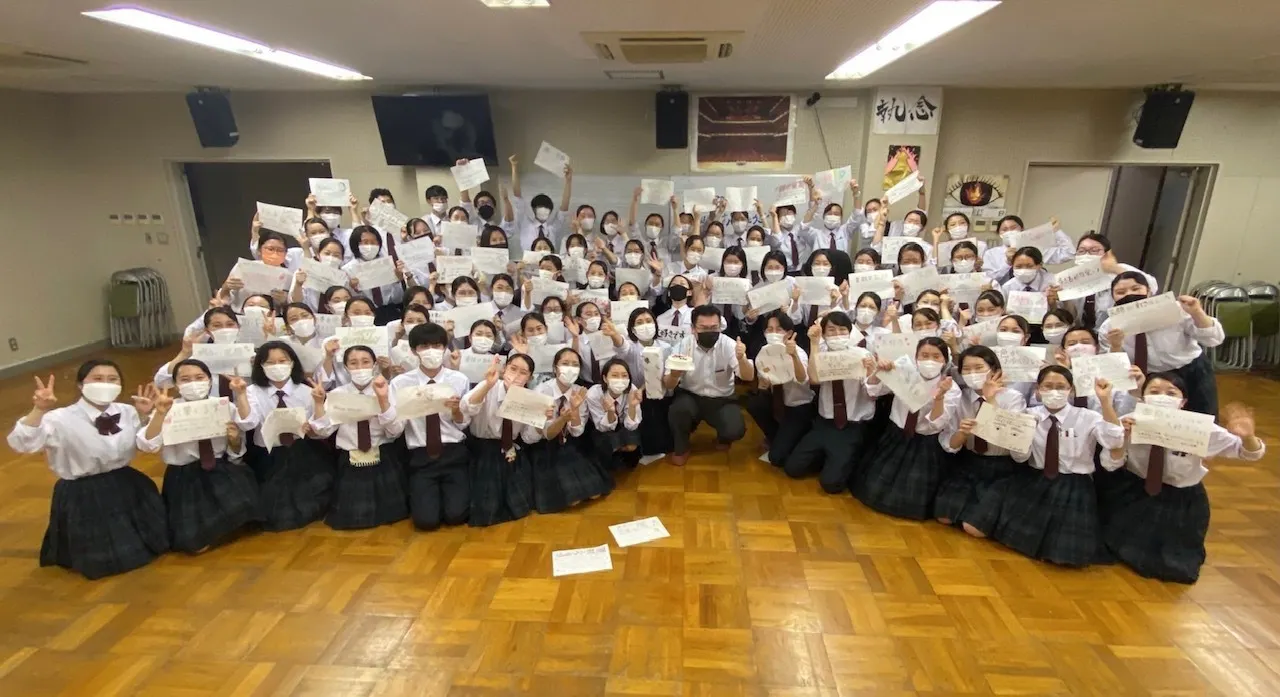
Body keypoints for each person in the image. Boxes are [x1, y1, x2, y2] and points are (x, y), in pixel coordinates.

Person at [7, 361, 169, 579]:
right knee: (102, 558)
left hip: (124, 481)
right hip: (82, 490)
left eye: (112, 379)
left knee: (151, 543)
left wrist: (147, 417)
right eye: (97, 378)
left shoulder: (128, 411)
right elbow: (22, 443)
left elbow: (147, 445)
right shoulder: (59, 418)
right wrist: (39, 410)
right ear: (81, 385)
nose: (105, 384)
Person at [1100, 374, 1264, 583]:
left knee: (1176, 565)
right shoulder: (1129, 421)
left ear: (1183, 401)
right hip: (1137, 490)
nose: (1162, 397)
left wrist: (1248, 437)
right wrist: (1121, 438)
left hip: (1181, 497)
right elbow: (1110, 464)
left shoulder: (1197, 427)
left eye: (1171, 393)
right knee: (1120, 549)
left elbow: (1249, 454)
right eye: (1154, 392)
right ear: (1142, 397)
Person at [991, 366, 1124, 567]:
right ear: (1037, 390)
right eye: (1048, 386)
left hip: (1074, 484)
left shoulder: (1088, 417)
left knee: (1065, 553)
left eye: (1061, 387)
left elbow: (1114, 441)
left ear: (1071, 390)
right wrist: (1018, 438)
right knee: (1018, 539)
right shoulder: (1027, 415)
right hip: (1036, 478)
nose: (1054, 391)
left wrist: (1105, 401)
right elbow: (1020, 458)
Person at [138, 359, 261, 553]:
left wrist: (235, 439)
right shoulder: (167, 408)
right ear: (176, 384)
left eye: (199, 377)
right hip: (185, 474)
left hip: (219, 467)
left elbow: (238, 442)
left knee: (247, 510)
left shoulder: (223, 405)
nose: (193, 383)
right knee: (192, 542)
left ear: (209, 380)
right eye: (185, 379)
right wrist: (159, 415)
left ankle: (223, 523)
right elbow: (148, 445)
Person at [235, 341, 335, 531]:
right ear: (261, 366)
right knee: (273, 506)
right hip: (268, 454)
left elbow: (322, 430)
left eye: (282, 361)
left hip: (301, 451)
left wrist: (317, 410)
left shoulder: (306, 391)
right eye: (270, 362)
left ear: (292, 363)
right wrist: (240, 395)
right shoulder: (252, 392)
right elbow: (247, 423)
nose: (277, 366)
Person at [857, 338, 959, 519]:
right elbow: (873, 391)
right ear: (916, 357)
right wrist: (878, 372)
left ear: (945, 360)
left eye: (936, 356)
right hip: (895, 434)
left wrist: (940, 397)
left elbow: (937, 423)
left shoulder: (951, 388)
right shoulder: (903, 372)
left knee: (914, 495)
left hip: (924, 442)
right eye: (924, 355)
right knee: (873, 487)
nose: (930, 361)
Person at [309, 347, 408, 530]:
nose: (360, 367)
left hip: (382, 455)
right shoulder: (338, 394)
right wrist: (318, 404)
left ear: (374, 365)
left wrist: (383, 401)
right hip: (351, 457)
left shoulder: (388, 390)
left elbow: (396, 431)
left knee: (392, 514)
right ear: (346, 367)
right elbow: (324, 431)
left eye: (365, 362)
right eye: (353, 363)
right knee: (352, 516)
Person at [1098, 272, 1223, 416]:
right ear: (1113, 297)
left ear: (1149, 291)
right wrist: (1115, 345)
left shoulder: (1175, 309)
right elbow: (1113, 368)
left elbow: (1214, 339)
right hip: (1149, 379)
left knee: (1201, 418)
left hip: (1191, 370)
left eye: (1136, 288)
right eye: (1121, 292)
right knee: (1155, 421)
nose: (1129, 294)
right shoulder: (1109, 328)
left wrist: (1197, 312)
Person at [934, 346, 1027, 538]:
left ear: (994, 370)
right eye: (967, 369)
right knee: (944, 517)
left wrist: (990, 400)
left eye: (978, 368)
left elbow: (1014, 440)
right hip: (969, 461)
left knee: (974, 528)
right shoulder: (961, 397)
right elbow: (950, 444)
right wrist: (962, 433)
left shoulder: (1013, 398)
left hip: (1001, 467)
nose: (972, 373)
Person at [389, 323, 472, 531]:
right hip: (421, 454)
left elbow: (463, 424)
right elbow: (395, 428)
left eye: (436, 345)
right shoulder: (400, 383)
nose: (431, 351)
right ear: (414, 350)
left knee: (456, 516)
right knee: (426, 521)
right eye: (424, 346)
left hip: (453, 451)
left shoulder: (459, 379)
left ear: (444, 348)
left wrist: (456, 411)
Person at [785, 312, 877, 493]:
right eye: (831, 330)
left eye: (842, 330)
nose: (837, 335)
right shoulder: (821, 353)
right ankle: (829, 458)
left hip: (851, 425)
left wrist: (871, 373)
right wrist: (814, 343)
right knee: (792, 468)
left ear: (849, 333)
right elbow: (814, 379)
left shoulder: (862, 355)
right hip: (825, 422)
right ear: (824, 334)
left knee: (831, 484)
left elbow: (873, 393)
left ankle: (843, 460)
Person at [524, 348, 613, 512]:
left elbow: (577, 432)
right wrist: (562, 419)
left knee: (595, 493)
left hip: (569, 442)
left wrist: (575, 409)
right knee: (572, 498)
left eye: (575, 364)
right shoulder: (540, 392)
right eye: (565, 363)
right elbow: (541, 436)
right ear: (555, 368)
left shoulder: (580, 391)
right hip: (545, 446)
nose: (570, 368)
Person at [663, 305, 752, 465]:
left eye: (714, 327)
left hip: (722, 399)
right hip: (691, 396)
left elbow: (748, 376)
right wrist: (674, 375)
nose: (709, 332)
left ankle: (724, 437)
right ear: (693, 329)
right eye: (703, 328)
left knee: (735, 429)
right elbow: (668, 385)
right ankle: (682, 446)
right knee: (678, 411)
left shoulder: (730, 345)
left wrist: (742, 359)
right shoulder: (682, 346)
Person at [461, 354, 537, 526]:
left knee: (520, 504)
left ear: (530, 377)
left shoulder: (529, 398)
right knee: (487, 507)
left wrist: (540, 421)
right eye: (513, 369)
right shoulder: (490, 385)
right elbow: (466, 407)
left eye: (523, 372)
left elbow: (528, 437)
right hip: (484, 448)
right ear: (504, 369)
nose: (516, 375)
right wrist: (487, 386)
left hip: (510, 448)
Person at [743, 310, 813, 468]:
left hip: (797, 406)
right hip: (776, 403)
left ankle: (793, 440)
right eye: (769, 329)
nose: (773, 333)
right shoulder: (765, 351)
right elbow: (763, 380)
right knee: (755, 403)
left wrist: (794, 356)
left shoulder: (798, 352)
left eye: (778, 329)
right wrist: (763, 385)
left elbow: (803, 379)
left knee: (777, 457)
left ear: (789, 333)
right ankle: (776, 437)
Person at [619, 306, 673, 462]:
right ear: (633, 329)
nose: (645, 325)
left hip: (659, 394)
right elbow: (620, 346)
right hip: (635, 395)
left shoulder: (665, 347)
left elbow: (666, 375)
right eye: (640, 322)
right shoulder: (630, 348)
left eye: (649, 321)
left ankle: (660, 447)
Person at [587, 358, 645, 470]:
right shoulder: (594, 394)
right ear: (605, 378)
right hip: (601, 428)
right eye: (614, 375)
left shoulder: (632, 390)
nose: (620, 380)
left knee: (632, 447)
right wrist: (610, 412)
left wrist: (632, 406)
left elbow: (631, 426)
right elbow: (602, 427)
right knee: (609, 446)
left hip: (623, 424)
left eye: (624, 376)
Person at [510, 155, 572, 248]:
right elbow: (517, 196)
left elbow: (564, 208)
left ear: (550, 211)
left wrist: (568, 181)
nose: (543, 211)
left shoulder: (552, 228)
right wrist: (514, 167)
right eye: (540, 207)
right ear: (534, 209)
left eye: (547, 208)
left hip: (549, 258)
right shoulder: (525, 224)